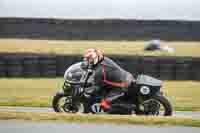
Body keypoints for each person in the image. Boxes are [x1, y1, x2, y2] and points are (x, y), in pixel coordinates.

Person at [82, 48, 135, 114]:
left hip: (123, 85)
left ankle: (129, 111)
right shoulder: (103, 60)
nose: (87, 61)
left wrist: (85, 91)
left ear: (95, 59)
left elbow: (96, 87)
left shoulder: (100, 71)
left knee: (104, 103)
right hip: (125, 77)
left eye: (89, 59)